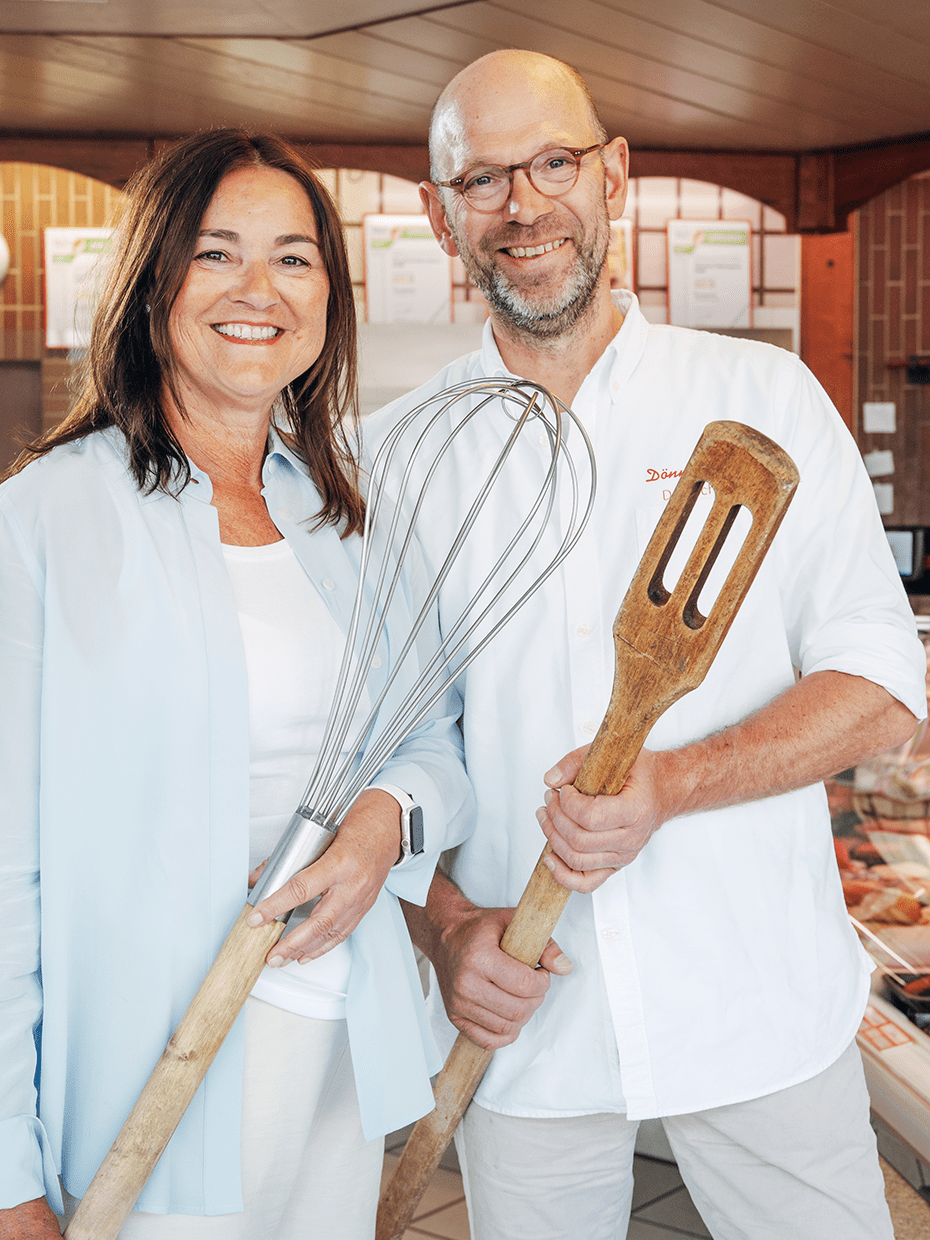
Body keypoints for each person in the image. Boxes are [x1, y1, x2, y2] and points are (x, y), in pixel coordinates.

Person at [364, 50, 928, 1240]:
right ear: (437, 211)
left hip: (758, 1002)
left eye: (554, 162)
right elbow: (388, 758)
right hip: (522, 1022)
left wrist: (671, 780)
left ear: (614, 174)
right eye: (483, 180)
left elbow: (885, 684)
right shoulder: (398, 457)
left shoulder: (758, 401)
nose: (525, 205)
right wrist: (449, 925)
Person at [0, 129, 472, 1240]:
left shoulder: (349, 525)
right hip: (137, 1090)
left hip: (331, 1066)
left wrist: (380, 827)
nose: (259, 290)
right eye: (217, 254)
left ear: (329, 297)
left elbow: (440, 753)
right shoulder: (45, 522)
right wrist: (6, 1176)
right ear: (153, 283)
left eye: (295, 258)